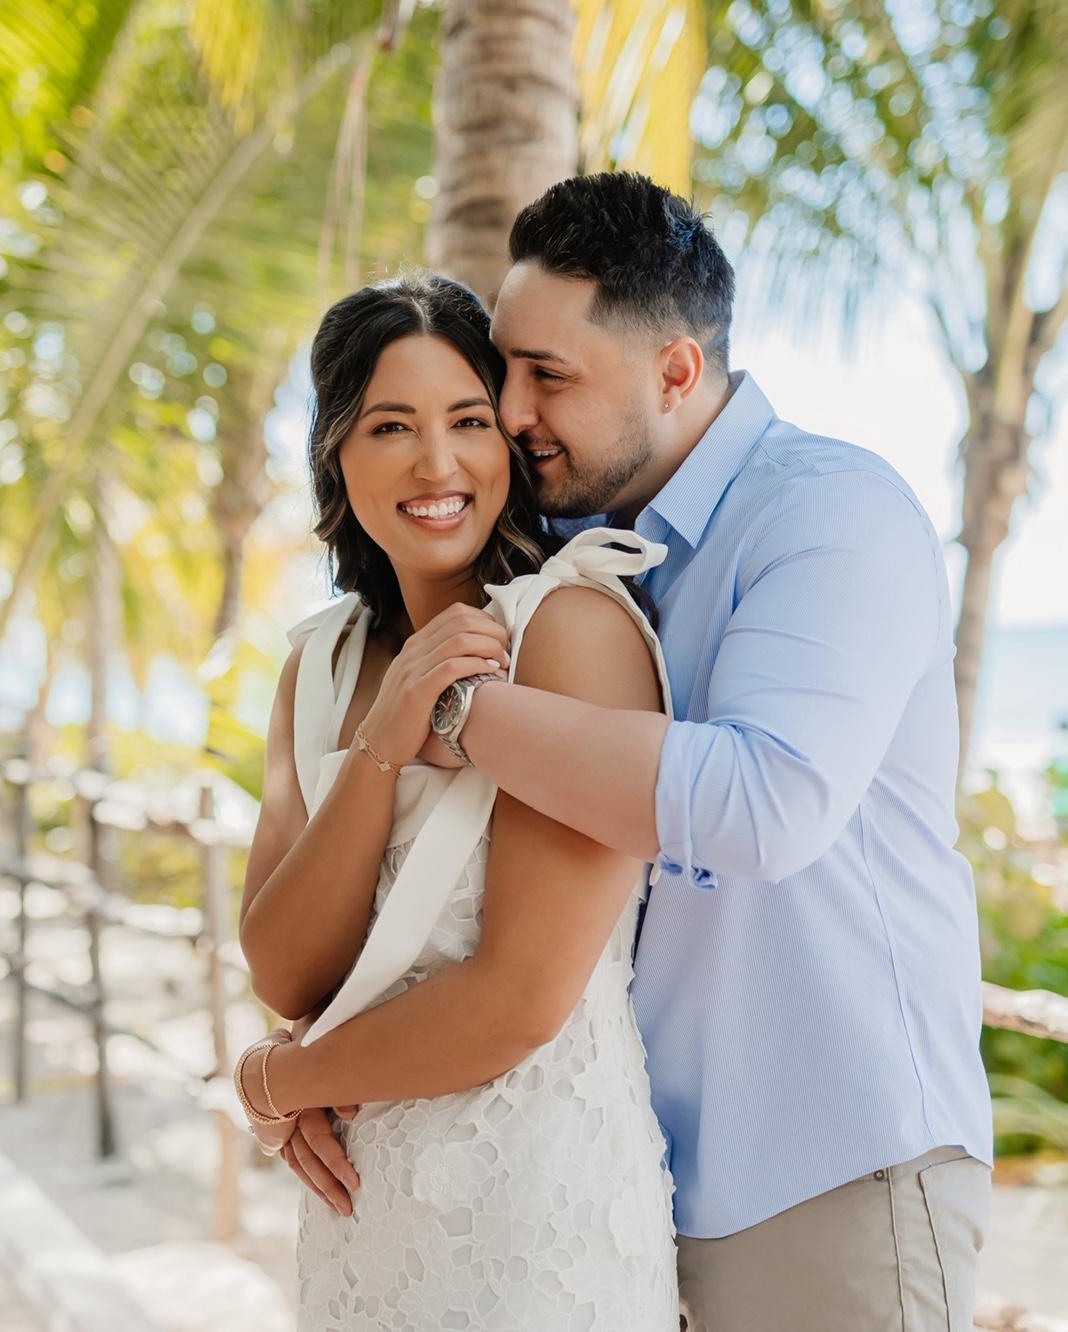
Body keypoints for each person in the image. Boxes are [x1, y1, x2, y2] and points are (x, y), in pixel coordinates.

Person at [393, 171, 989, 1331]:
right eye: (505, 369)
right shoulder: (579, 543)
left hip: (833, 1169)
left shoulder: (829, 511)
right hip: (633, 1182)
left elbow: (764, 807)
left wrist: (453, 709)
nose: (511, 410)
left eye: (548, 375)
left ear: (676, 370)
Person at [235, 271, 680, 1329]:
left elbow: (519, 1000)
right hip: (362, 1226)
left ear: (509, 443)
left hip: (538, 1231)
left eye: (469, 421)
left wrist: (277, 1082)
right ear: (336, 455)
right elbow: (287, 966)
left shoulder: (571, 632)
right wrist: (384, 745)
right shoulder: (322, 664)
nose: (437, 464)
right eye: (391, 426)